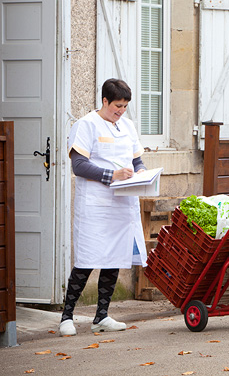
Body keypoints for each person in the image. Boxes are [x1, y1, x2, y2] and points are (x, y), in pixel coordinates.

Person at [58, 78, 148, 337]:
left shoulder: (127, 126)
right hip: (95, 205)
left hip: (122, 203)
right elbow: (79, 166)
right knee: (87, 259)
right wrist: (112, 175)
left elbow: (136, 158)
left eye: (125, 107)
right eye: (117, 106)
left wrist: (142, 172)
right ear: (104, 101)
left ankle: (102, 316)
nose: (120, 111)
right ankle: (67, 317)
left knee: (113, 259)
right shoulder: (85, 125)